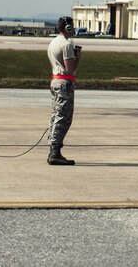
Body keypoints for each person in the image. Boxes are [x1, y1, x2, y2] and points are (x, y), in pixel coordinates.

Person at [47, 16, 81, 166]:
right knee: (64, 117)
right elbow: (70, 69)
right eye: (72, 26)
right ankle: (55, 151)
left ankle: (53, 149)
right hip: (64, 82)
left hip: (55, 80)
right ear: (67, 27)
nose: (73, 28)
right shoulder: (66, 45)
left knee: (56, 115)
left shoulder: (53, 42)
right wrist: (77, 56)